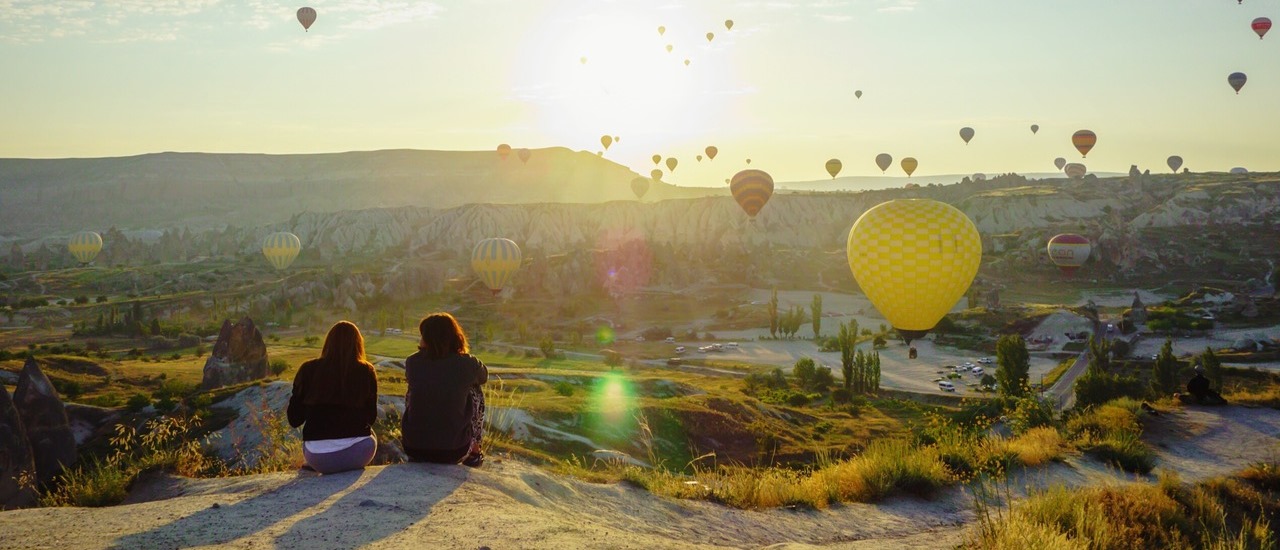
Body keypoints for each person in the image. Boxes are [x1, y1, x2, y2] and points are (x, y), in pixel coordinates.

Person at [287, 321, 379, 474]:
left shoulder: (308, 369)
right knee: (370, 433)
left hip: (318, 459)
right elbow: (370, 418)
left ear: (328, 343)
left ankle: (321, 460)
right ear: (358, 344)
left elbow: (294, 420)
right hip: (358, 455)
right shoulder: (366, 370)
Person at [401, 312, 487, 467]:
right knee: (475, 390)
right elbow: (483, 377)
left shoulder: (412, 362)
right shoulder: (467, 364)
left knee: (414, 389)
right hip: (453, 451)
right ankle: (474, 450)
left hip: (414, 448)